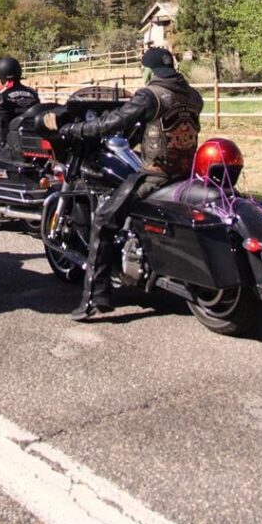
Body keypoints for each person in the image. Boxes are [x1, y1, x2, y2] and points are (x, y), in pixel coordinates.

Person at [60, 46, 204, 322]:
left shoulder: (150, 95)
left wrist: (75, 129)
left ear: (148, 71)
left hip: (156, 175)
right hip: (187, 175)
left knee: (103, 220)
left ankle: (95, 297)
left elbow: (113, 122)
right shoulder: (193, 96)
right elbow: (157, 127)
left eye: (143, 68)